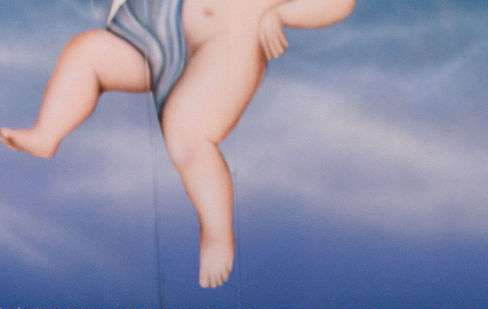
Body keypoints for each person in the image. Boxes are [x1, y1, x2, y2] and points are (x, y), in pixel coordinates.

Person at [1, 1, 355, 289]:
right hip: (161, 32)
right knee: (87, 51)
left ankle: (216, 232)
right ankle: (47, 133)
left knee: (187, 132)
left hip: (230, 42)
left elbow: (339, 3)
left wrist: (281, 13)